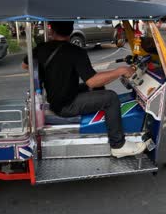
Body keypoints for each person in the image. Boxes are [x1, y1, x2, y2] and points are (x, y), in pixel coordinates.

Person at [22, 21, 146, 158]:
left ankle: (103, 124)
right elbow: (92, 80)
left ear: (52, 31)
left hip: (55, 98)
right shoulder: (75, 51)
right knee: (110, 97)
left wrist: (51, 74)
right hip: (66, 105)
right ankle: (118, 145)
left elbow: (25, 65)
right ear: (70, 31)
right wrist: (119, 71)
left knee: (99, 87)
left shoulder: (41, 48)